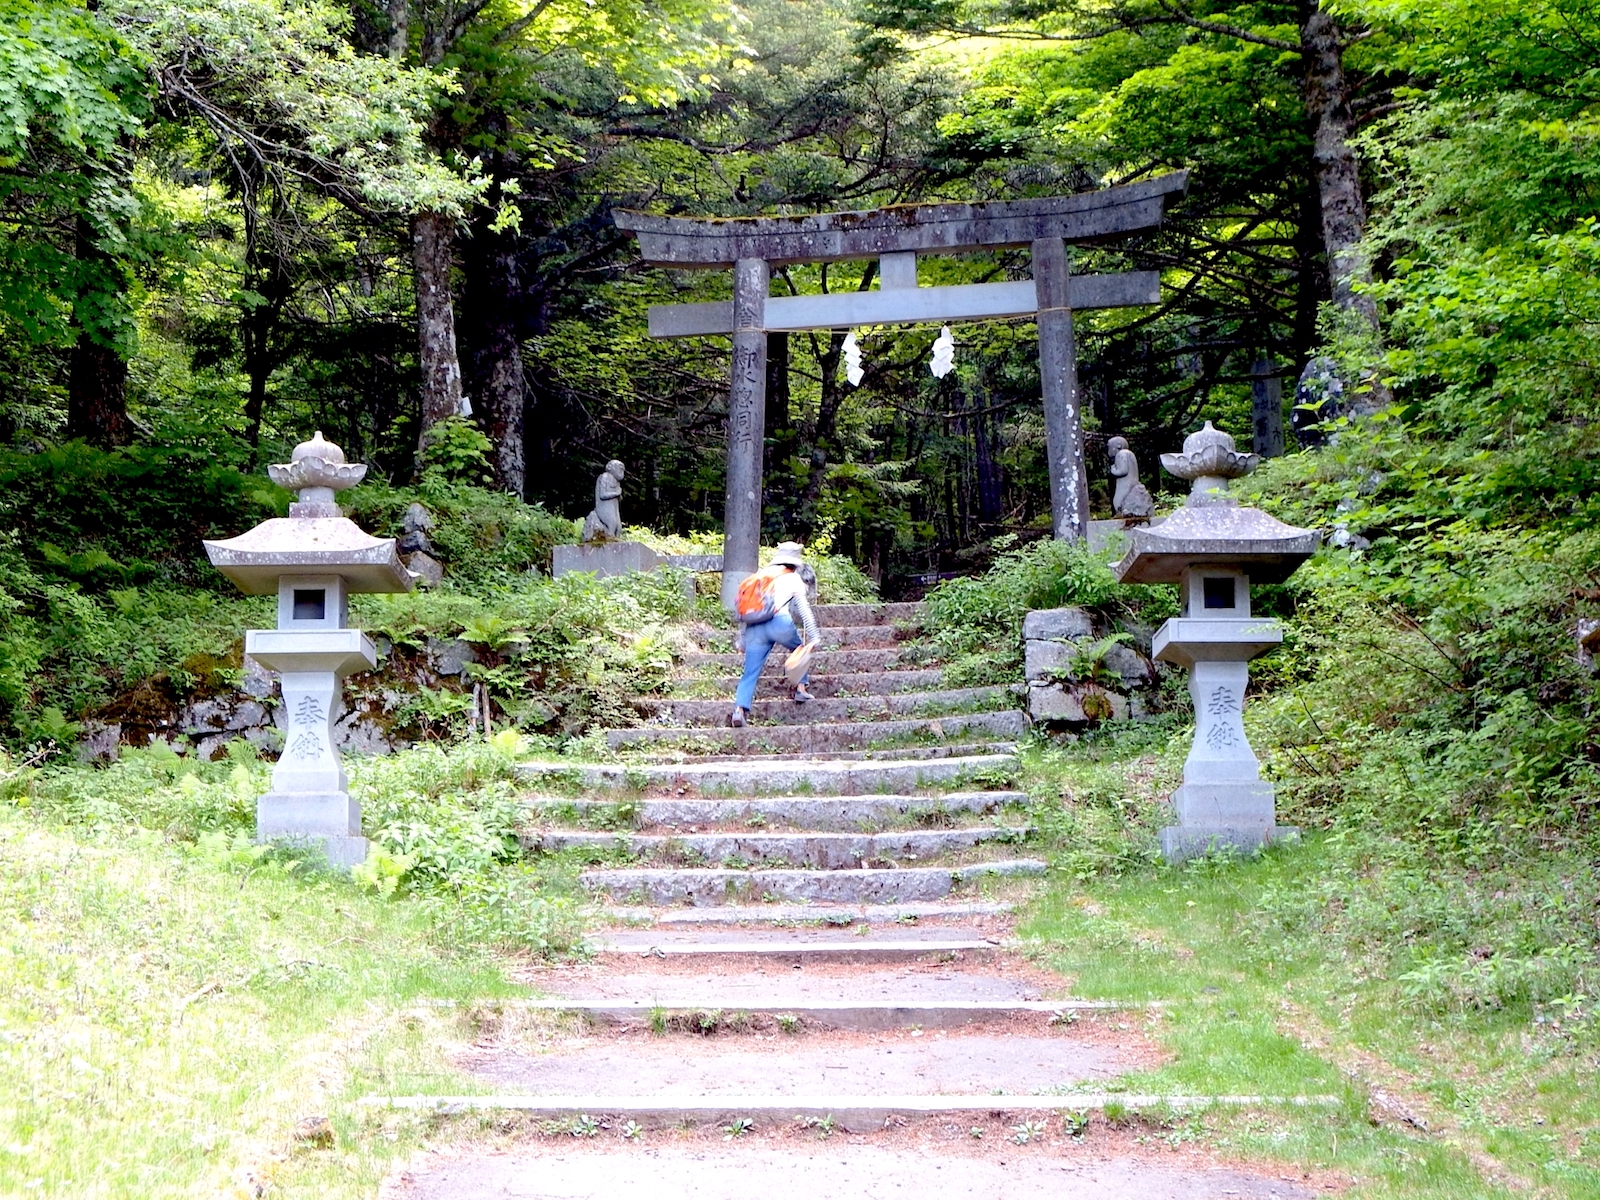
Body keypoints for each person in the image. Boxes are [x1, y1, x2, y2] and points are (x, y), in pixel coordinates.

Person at [730, 541, 819, 728]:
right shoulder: (793, 578)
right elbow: (804, 611)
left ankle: (739, 710)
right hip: (779, 623)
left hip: (755, 629)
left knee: (750, 672)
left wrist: (742, 641)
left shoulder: (760, 576)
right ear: (795, 562)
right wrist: (814, 636)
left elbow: (748, 611)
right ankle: (801, 689)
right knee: (801, 650)